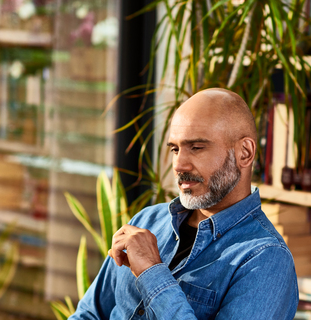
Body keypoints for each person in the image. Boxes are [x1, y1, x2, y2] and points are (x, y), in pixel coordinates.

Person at [70, 88, 298, 319]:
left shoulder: (266, 258)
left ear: (245, 153)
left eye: (197, 148)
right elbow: (89, 314)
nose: (179, 165)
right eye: (175, 149)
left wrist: (151, 272)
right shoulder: (147, 220)